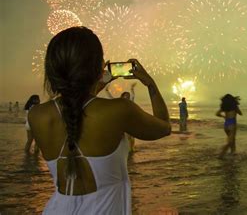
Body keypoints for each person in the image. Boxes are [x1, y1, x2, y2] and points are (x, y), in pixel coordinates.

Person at [28, 27, 170, 214]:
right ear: (96, 67)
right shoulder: (119, 110)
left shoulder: (37, 115)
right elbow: (164, 127)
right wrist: (150, 83)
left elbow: (77, 110)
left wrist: (95, 84)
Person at [105, 82, 137, 152]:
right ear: (122, 96)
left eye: (128, 96)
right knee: (124, 137)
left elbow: (133, 96)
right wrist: (107, 91)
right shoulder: (118, 102)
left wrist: (132, 89)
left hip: (129, 122)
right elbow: (111, 98)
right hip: (122, 122)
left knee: (131, 137)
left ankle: (131, 149)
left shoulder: (129, 103)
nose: (127, 97)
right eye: (125, 96)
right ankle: (126, 150)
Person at [216, 94, 242, 159]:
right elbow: (240, 113)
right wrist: (237, 109)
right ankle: (221, 154)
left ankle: (233, 152)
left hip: (226, 124)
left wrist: (224, 116)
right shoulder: (234, 106)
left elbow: (217, 114)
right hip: (232, 124)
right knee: (230, 141)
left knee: (232, 140)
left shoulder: (224, 107)